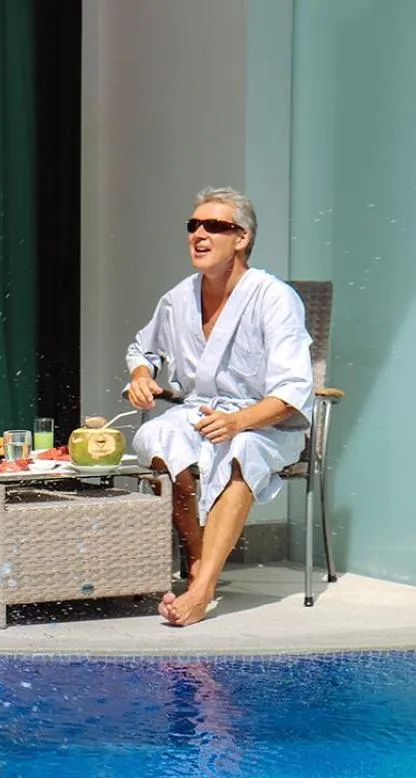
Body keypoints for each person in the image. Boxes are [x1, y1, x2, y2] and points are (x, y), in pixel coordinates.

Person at [126, 187, 314, 626]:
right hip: (201, 412)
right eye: (193, 226)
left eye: (214, 226)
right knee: (156, 435)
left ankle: (203, 588)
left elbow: (291, 392)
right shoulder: (178, 298)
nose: (200, 234)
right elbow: (143, 349)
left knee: (241, 451)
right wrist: (141, 376)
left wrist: (237, 421)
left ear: (242, 238)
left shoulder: (274, 298)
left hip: (265, 422)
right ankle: (198, 556)